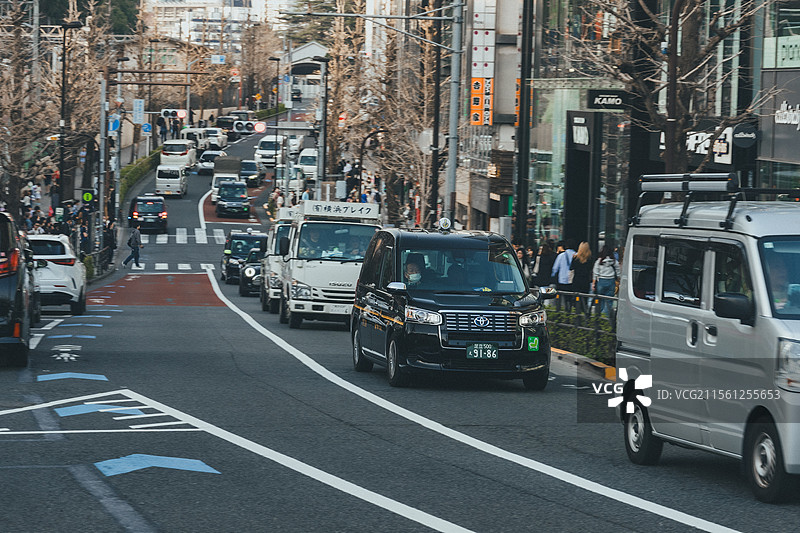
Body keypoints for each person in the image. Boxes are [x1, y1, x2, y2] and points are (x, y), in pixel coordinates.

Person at [593, 245, 621, 317]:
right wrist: (618, 281)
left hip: (601, 281)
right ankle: (606, 319)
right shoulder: (614, 261)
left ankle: (599, 318)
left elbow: (595, 273)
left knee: (600, 301)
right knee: (609, 301)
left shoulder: (599, 261)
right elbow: (618, 273)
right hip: (611, 281)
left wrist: (593, 284)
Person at [551, 239, 576, 309]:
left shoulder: (561, 255)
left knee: (561, 298)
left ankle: (562, 311)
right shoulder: (576, 255)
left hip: (562, 280)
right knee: (570, 297)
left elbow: (555, 268)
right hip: (571, 280)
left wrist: (552, 276)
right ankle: (570, 310)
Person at [570, 242, 593, 313]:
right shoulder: (590, 259)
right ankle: (584, 314)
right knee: (584, 299)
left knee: (577, 298)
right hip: (585, 281)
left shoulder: (575, 259)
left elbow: (571, 268)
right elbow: (591, 269)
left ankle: (577, 313)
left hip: (577, 280)